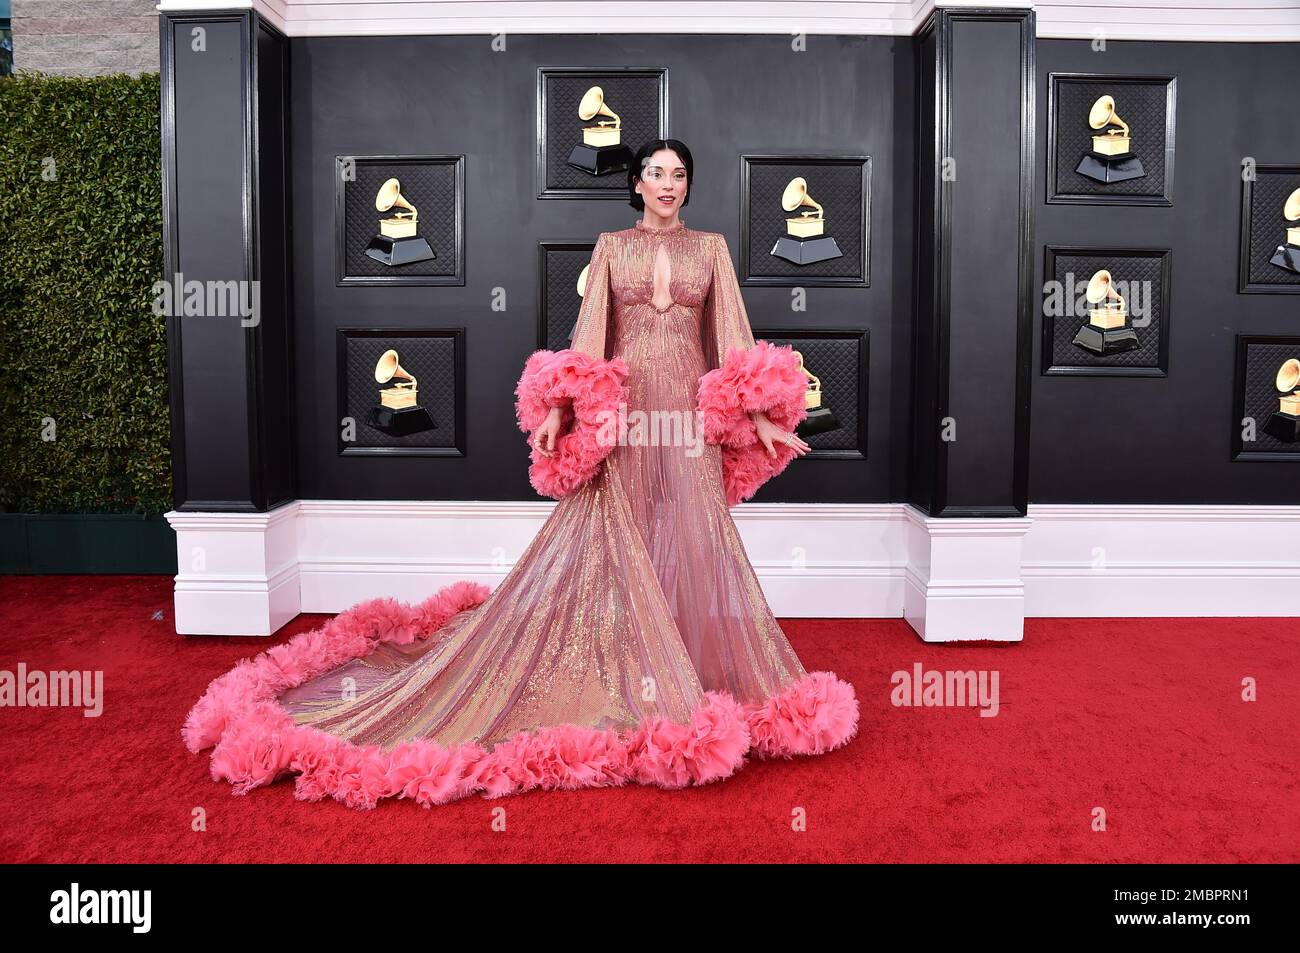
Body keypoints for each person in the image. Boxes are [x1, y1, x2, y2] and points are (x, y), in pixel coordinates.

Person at [182, 139, 858, 811]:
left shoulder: (710, 248)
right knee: (615, 535)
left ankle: (679, 663)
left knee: (693, 532)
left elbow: (731, 341)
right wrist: (561, 411)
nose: (669, 184)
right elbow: (590, 339)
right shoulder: (611, 246)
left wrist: (762, 419)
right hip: (624, 420)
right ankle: (635, 666)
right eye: (657, 173)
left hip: (685, 421)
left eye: (679, 174)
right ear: (636, 181)